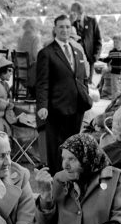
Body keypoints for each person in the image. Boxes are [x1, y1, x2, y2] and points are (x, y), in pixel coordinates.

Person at [36, 14, 92, 174]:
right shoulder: (46, 53)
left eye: (67, 27)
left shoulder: (78, 52)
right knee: (56, 149)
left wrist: (85, 97)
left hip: (77, 107)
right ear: (55, 29)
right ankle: (57, 180)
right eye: (61, 26)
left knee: (74, 146)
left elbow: (82, 78)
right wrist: (42, 106)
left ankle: (73, 177)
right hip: (56, 109)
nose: (65, 30)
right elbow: (42, 83)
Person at [69, 2, 102, 83]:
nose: (73, 14)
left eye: (74, 12)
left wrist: (96, 56)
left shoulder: (92, 21)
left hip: (90, 59)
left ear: (81, 12)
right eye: (72, 12)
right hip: (76, 59)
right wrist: (70, 22)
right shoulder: (69, 23)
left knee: (88, 82)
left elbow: (98, 40)